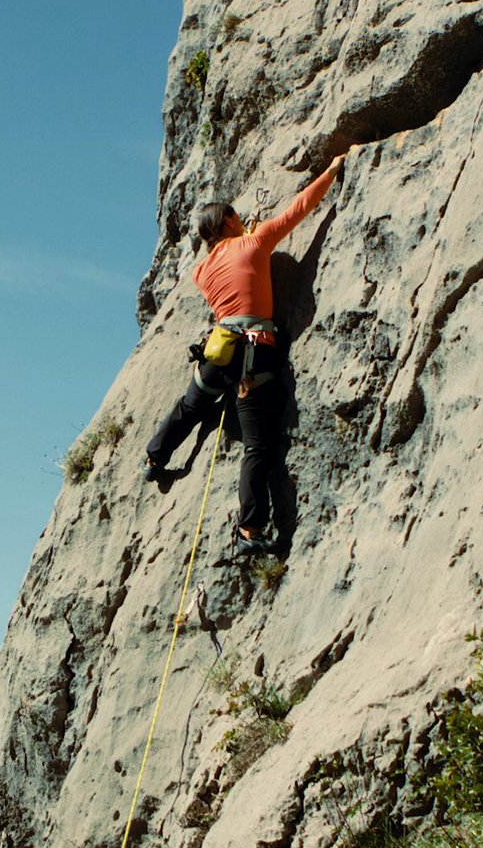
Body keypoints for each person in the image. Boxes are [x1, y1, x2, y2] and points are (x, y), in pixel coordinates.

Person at [144, 152, 349, 556]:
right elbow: (299, 209)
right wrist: (331, 170)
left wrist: (243, 237)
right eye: (235, 217)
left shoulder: (202, 271)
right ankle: (249, 531)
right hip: (255, 354)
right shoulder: (255, 243)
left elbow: (231, 265)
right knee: (257, 445)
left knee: (191, 405)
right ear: (228, 224)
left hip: (219, 351)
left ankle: (155, 458)